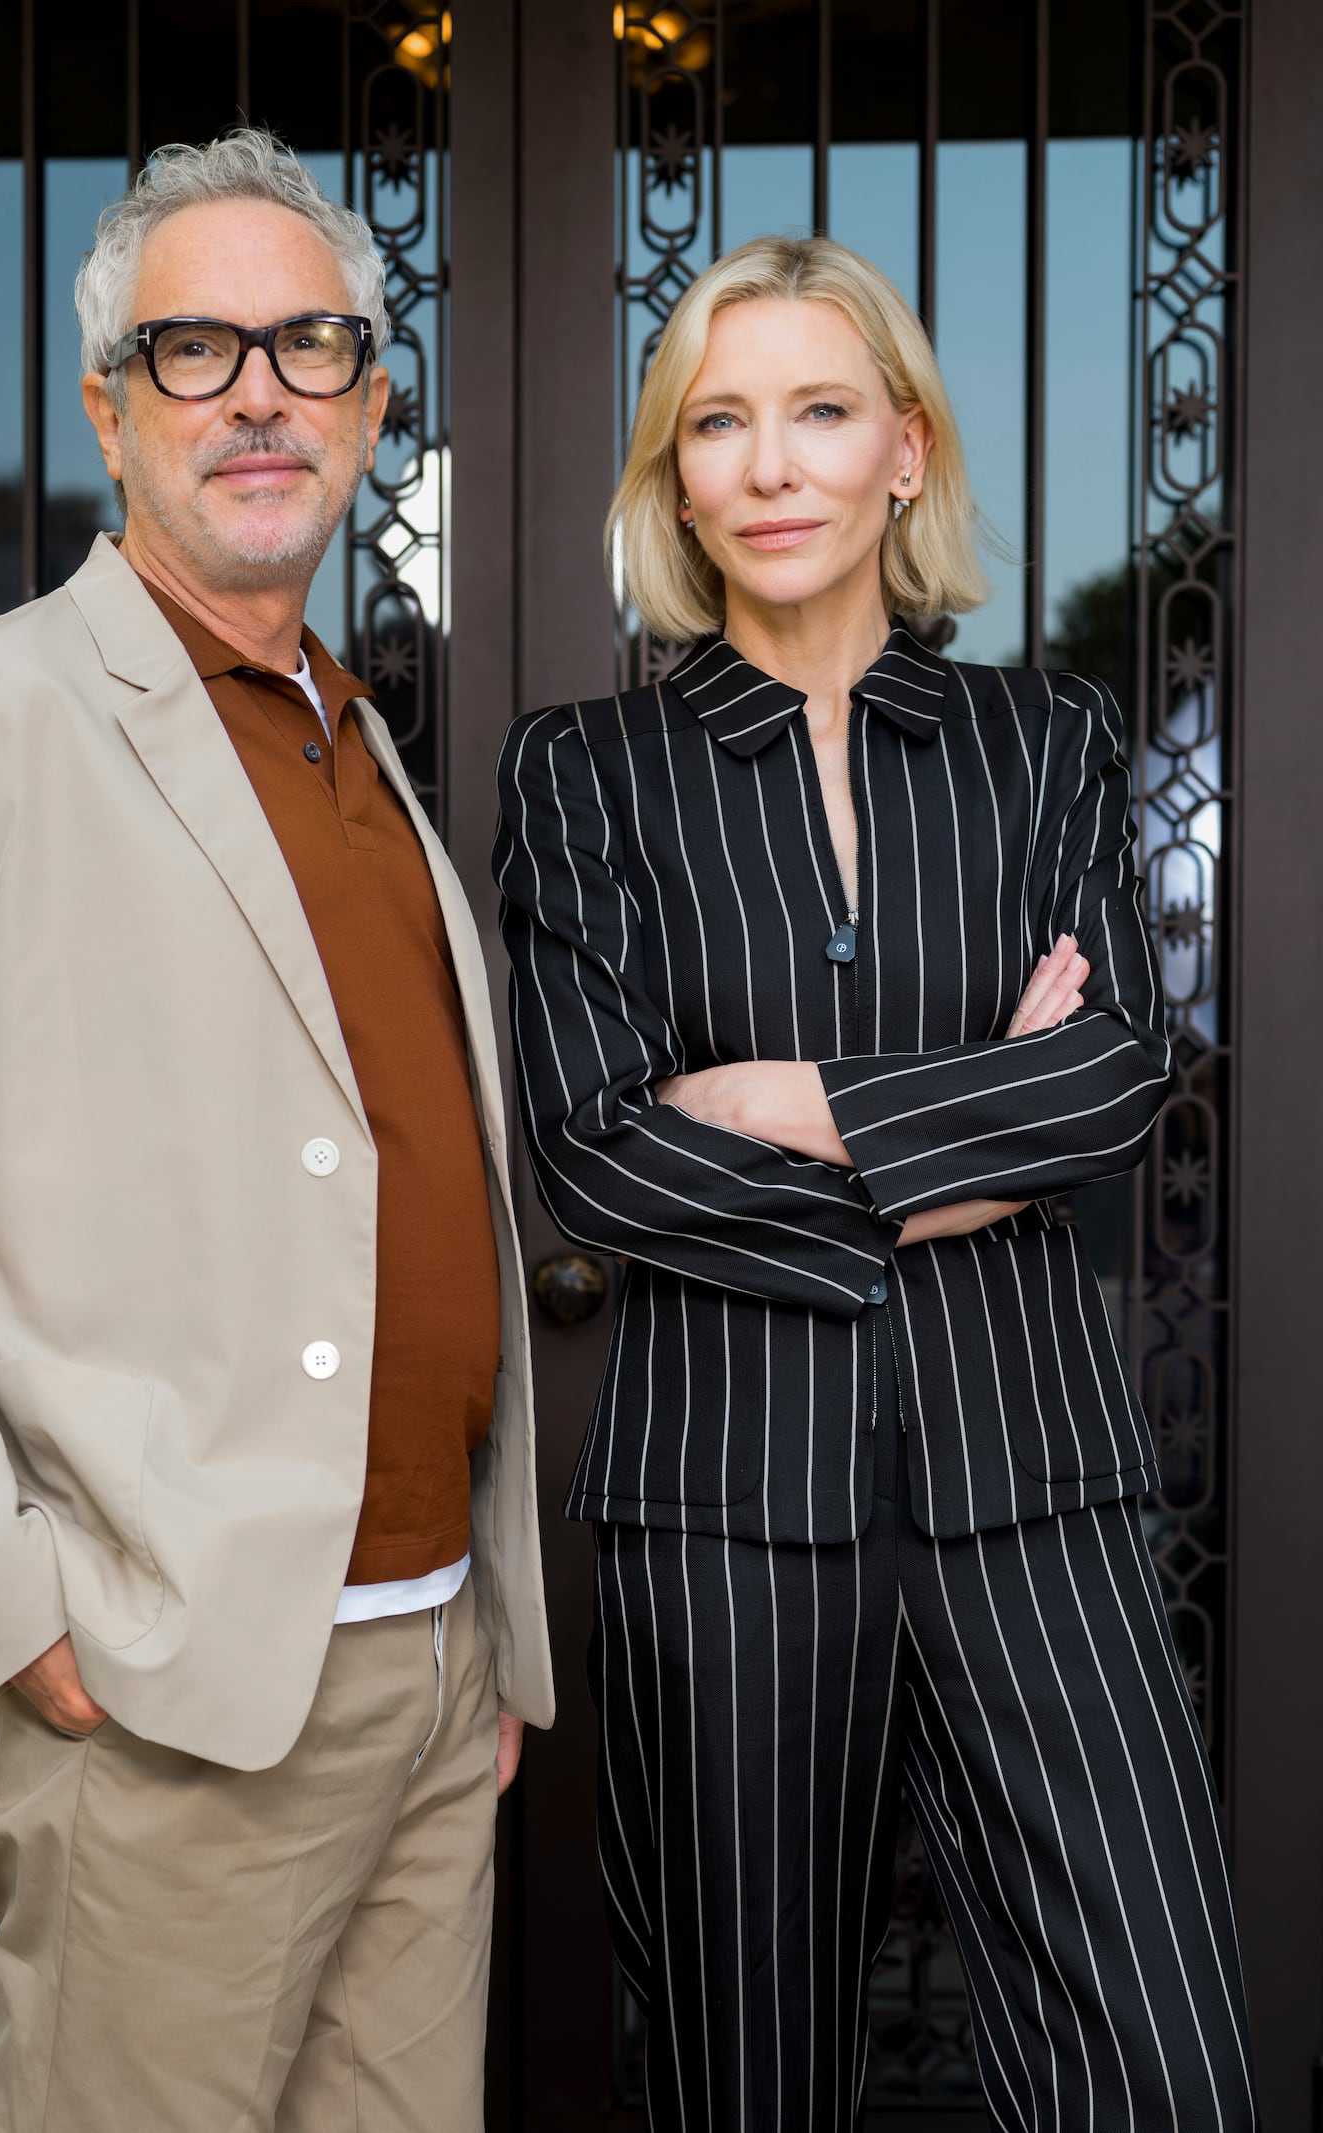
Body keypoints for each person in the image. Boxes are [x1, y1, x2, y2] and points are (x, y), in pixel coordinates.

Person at [0, 127, 551, 2133]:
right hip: (176, 1685)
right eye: (196, 349)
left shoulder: (349, 730)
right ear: (110, 411)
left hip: (435, 1663)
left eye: (311, 346)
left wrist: (478, 1633)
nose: (259, 390)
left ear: (372, 403)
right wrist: (21, 1614)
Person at [493, 235, 1256, 2131]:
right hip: (725, 1508)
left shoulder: (1048, 740)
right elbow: (594, 1144)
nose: (771, 465)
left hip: (1037, 1489)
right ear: (675, 472)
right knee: (746, 2077)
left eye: (820, 412)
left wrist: (783, 1099)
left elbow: (1113, 1078)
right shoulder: (585, 776)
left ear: (903, 452)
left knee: (1160, 2060)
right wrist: (958, 1124)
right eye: (719, 423)